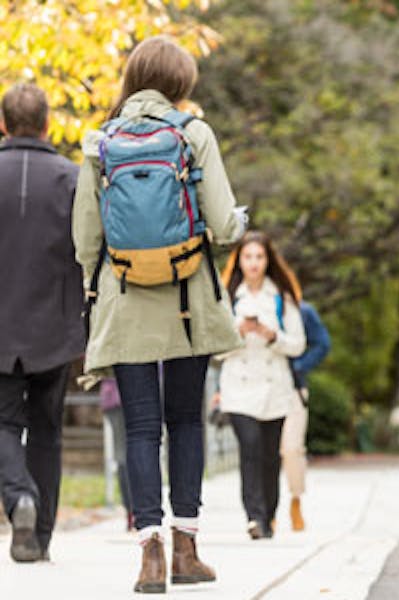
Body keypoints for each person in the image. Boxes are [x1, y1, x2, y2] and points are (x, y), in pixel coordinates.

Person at [74, 35, 245, 593]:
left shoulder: (99, 142)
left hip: (123, 299)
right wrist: (235, 225)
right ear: (181, 83)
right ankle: (187, 550)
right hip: (187, 300)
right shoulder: (193, 134)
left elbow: (85, 237)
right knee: (187, 422)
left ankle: (148, 554)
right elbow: (221, 225)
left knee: (141, 429)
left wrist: (96, 283)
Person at [0, 82, 85, 563]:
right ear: (48, 124)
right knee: (48, 429)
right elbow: (88, 252)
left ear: (3, 124)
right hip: (55, 326)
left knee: (3, 423)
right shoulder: (72, 179)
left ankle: (19, 501)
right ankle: (42, 535)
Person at [217, 231, 306, 541]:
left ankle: (268, 515)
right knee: (250, 447)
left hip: (274, 386)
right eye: (248, 257)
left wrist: (272, 336)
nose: (254, 263)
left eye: (259, 257)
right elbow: (214, 348)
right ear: (239, 260)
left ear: (268, 260)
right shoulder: (226, 296)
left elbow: (298, 344)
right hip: (238, 386)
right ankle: (253, 515)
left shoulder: (282, 297)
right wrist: (237, 333)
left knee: (270, 455)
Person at [283, 299, 331, 531]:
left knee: (292, 449)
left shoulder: (302, 311)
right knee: (261, 452)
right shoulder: (248, 306)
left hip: (293, 387)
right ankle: (263, 511)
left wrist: (299, 366)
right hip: (258, 388)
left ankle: (295, 500)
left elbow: (323, 344)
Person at [99, 378, 135, 532]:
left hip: (112, 396)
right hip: (136, 395)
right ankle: (136, 510)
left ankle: (131, 512)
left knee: (122, 455)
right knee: (132, 454)